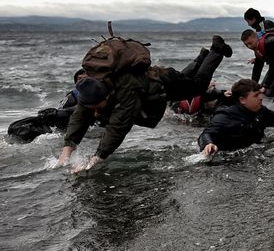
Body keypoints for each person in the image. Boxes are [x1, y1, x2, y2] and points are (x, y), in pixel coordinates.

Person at [56, 35, 233, 172]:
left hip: (163, 82)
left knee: (198, 86)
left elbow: (119, 126)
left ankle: (216, 50)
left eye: (98, 107)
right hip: (155, 85)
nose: (95, 112)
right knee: (187, 80)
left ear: (107, 95)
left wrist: (94, 161)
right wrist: (66, 152)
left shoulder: (126, 88)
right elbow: (79, 116)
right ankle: (202, 56)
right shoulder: (92, 85)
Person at [198, 79, 274, 156]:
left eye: (260, 94)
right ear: (242, 100)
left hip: (254, 148)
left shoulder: (261, 111)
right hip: (229, 156)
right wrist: (208, 143)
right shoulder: (225, 116)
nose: (261, 98)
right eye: (256, 95)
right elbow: (207, 133)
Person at [241, 27, 274, 96]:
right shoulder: (257, 49)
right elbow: (257, 69)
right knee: (260, 88)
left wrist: (266, 86)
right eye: (246, 45)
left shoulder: (269, 42)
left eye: (250, 43)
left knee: (268, 92)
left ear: (256, 37)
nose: (249, 46)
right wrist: (252, 86)